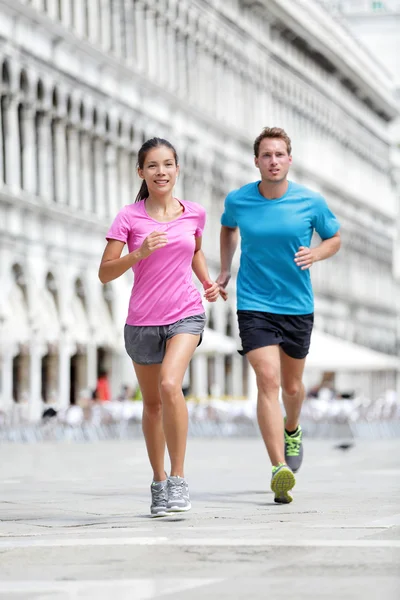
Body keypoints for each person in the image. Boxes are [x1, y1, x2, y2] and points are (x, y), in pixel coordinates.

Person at [99, 137, 224, 517]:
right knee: (151, 405)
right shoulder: (128, 217)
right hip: (141, 321)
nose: (161, 172)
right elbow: (105, 272)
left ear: (177, 169)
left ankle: (179, 478)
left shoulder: (195, 213)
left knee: (172, 384)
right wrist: (139, 253)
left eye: (168, 164)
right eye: (152, 166)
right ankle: (158, 480)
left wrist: (206, 282)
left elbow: (197, 249)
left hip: (185, 312)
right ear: (141, 172)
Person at [217, 127, 340, 503]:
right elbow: (227, 228)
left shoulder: (310, 202)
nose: (273, 161)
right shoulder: (239, 199)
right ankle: (278, 468)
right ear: (256, 161)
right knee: (267, 381)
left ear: (289, 159)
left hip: (297, 307)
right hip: (254, 303)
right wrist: (225, 269)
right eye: (266, 155)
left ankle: (292, 428)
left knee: (291, 388)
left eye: (280, 155)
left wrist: (316, 254)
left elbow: (334, 237)